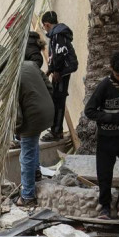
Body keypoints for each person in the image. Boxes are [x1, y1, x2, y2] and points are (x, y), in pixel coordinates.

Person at [0, 34, 54, 208]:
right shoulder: (29, 64)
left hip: (33, 116)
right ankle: (37, 173)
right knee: (33, 145)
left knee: (26, 152)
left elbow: (15, 111)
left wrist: (16, 132)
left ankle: (27, 195)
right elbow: (49, 86)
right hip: (48, 112)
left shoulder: (6, 79)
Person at [83, 48, 119, 220]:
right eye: (118, 75)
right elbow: (90, 111)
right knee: (104, 175)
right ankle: (105, 209)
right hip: (107, 139)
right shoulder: (104, 86)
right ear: (111, 69)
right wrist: (110, 118)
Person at [40, 11, 77, 142]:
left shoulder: (57, 34)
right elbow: (55, 56)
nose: (44, 29)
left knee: (58, 101)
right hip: (60, 70)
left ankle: (56, 132)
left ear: (47, 24)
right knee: (56, 99)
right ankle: (56, 129)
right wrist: (50, 70)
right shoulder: (57, 33)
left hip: (62, 72)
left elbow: (60, 54)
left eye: (44, 27)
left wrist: (56, 71)